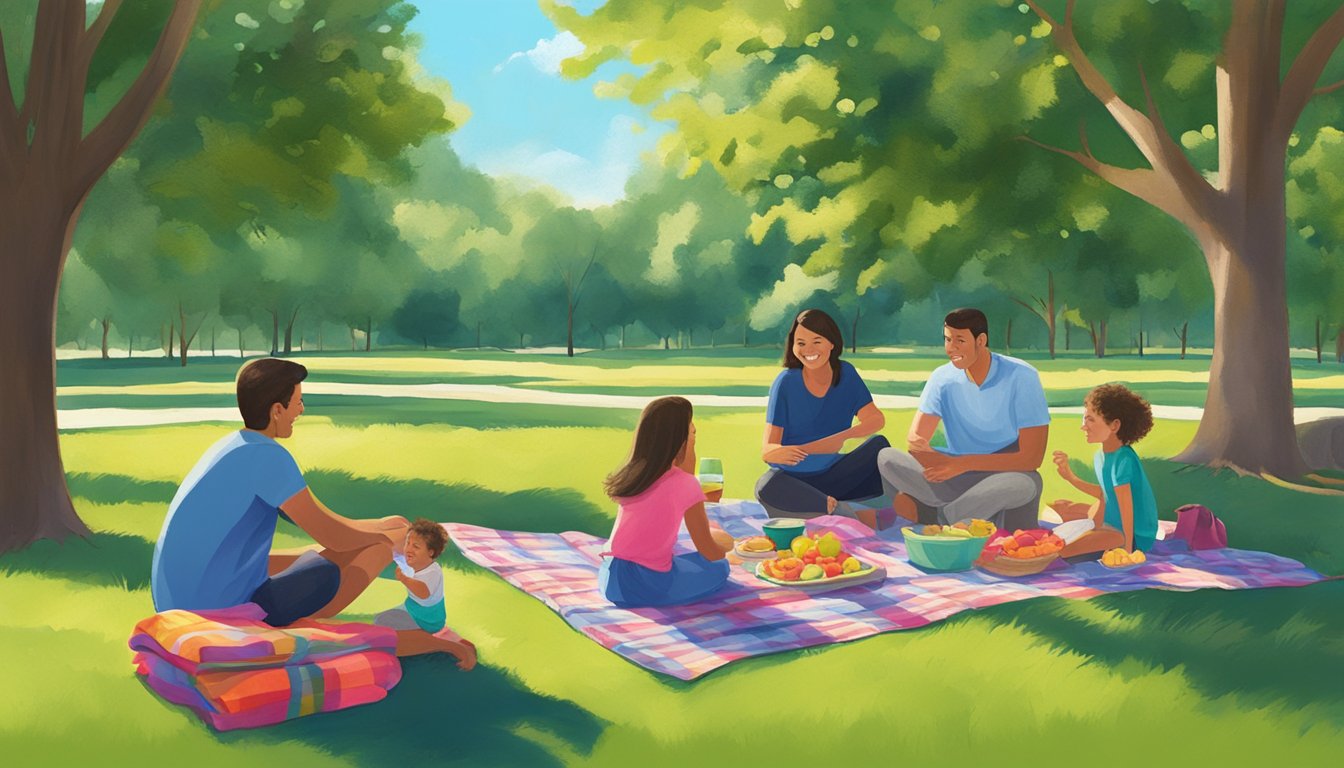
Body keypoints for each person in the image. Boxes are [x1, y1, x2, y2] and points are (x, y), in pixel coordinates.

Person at [151, 358, 410, 633]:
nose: (301, 409)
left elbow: (321, 522)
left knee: (317, 554)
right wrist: (385, 536)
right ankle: (290, 630)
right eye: (297, 402)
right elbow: (333, 535)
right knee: (370, 553)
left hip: (176, 600)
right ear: (277, 410)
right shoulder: (268, 457)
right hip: (216, 613)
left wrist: (382, 525)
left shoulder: (230, 446)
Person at [877, 308, 1049, 530]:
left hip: (1003, 473)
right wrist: (930, 454)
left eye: (959, 340)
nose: (951, 348)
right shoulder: (942, 377)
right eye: (947, 340)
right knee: (887, 457)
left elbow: (1031, 459)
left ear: (981, 340)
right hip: (953, 477)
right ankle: (966, 514)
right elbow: (916, 438)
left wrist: (963, 464)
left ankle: (940, 516)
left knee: (1022, 484)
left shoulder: (1022, 376)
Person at [754, 309, 891, 529]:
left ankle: (823, 507)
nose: (808, 350)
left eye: (817, 341)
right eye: (801, 343)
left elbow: (876, 419)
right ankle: (837, 509)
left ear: (831, 343)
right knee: (766, 485)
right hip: (797, 479)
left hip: (836, 473)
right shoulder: (786, 382)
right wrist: (778, 451)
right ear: (793, 346)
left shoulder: (846, 374)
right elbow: (768, 449)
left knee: (879, 447)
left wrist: (842, 437)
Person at [598, 396, 732, 608]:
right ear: (680, 443)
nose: (694, 442)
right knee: (720, 567)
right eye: (693, 436)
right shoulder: (685, 484)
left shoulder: (634, 475)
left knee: (686, 561)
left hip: (609, 578)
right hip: (648, 585)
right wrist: (726, 543)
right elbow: (709, 551)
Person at [1052, 384, 1159, 557]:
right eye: (1084, 419)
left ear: (1114, 425)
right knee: (1084, 515)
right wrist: (1070, 477)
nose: (1083, 426)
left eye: (1090, 420)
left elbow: (1127, 508)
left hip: (1134, 534)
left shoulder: (1123, 459)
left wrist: (1128, 550)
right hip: (1112, 524)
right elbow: (1105, 495)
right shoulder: (1099, 457)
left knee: (1064, 549)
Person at [376, 518, 477, 669]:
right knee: (381, 620)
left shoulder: (432, 572)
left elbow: (423, 592)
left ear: (431, 552)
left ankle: (443, 643)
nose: (408, 549)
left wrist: (404, 579)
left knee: (387, 636)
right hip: (413, 609)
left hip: (425, 618)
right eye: (407, 544)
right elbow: (399, 557)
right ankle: (444, 635)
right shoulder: (417, 564)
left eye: (415, 546)